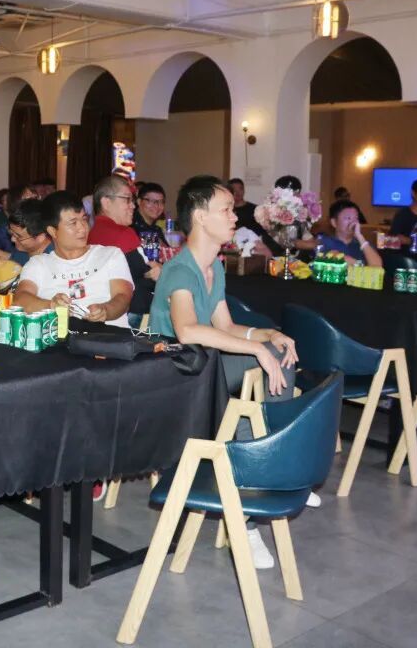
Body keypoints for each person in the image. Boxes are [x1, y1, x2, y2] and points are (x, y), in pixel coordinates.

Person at [149, 175, 300, 570]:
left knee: (279, 351)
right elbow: (187, 330)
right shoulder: (180, 270)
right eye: (227, 210)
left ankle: (270, 466)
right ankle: (247, 508)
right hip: (175, 376)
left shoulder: (213, 266)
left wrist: (266, 335)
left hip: (205, 367)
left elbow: (226, 327)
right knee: (263, 360)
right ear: (200, 217)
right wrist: (256, 349)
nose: (235, 217)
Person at [15, 191, 133, 328]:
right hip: (60, 338)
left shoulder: (111, 255)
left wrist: (106, 310)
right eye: (73, 223)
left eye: (84, 219)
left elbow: (123, 297)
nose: (82, 228)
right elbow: (20, 299)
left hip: (109, 335)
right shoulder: (39, 264)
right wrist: (51, 305)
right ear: (53, 231)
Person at [87, 175, 160, 328]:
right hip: (132, 313)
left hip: (100, 313)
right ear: (106, 202)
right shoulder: (123, 234)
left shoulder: (90, 234)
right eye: (127, 199)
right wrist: (160, 271)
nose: (133, 206)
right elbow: (147, 274)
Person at [317, 200, 382, 267]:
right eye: (348, 218)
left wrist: (359, 236)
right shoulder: (324, 242)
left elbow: (377, 266)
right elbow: (336, 258)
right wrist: (359, 265)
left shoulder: (363, 244)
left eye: (356, 218)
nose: (353, 222)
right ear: (334, 222)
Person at [0, 184, 36, 263]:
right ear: (17, 203)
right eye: (29, 198)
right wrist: (19, 259)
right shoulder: (8, 227)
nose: (35, 201)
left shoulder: (45, 223)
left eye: (36, 197)